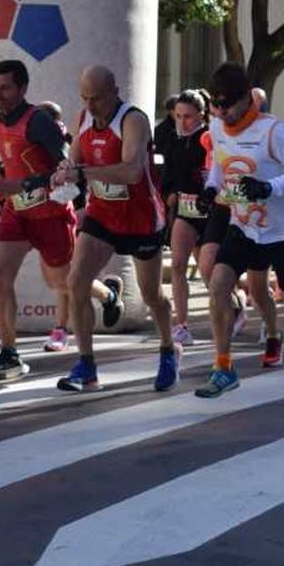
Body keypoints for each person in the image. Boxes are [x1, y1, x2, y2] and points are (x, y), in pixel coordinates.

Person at [193, 62, 284, 398]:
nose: (222, 111)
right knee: (219, 282)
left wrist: (270, 188)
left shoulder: (274, 131)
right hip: (243, 225)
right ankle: (223, 366)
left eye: (227, 103)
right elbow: (218, 167)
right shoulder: (216, 127)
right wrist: (211, 190)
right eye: (216, 103)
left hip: (281, 231)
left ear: (246, 99)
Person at [53, 64, 179, 393]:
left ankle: (168, 349)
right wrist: (64, 172)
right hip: (103, 215)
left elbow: (132, 172)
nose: (90, 105)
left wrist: (81, 174)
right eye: (84, 97)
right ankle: (86, 364)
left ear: (114, 91)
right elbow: (75, 162)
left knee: (151, 293)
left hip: (141, 219)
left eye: (96, 98)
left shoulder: (133, 120)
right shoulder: (83, 119)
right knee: (76, 282)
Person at [0, 59, 76, 382]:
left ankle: (108, 294)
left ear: (22, 89)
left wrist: (20, 185)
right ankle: (9, 353)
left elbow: (67, 171)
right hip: (16, 212)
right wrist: (0, 188)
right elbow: (9, 162)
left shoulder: (39, 122)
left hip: (50, 213)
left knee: (63, 282)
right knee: (0, 275)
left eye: (5, 88)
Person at [160, 89, 213, 346]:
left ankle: (233, 305)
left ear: (201, 115)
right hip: (185, 210)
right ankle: (181, 324)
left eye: (188, 117)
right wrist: (169, 193)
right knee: (179, 265)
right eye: (178, 116)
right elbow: (168, 173)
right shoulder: (173, 139)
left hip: (211, 212)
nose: (182, 122)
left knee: (209, 271)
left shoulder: (211, 139)